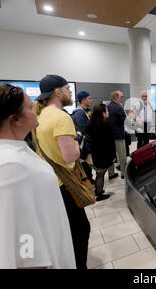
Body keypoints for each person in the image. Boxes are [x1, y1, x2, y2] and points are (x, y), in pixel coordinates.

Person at [0, 84, 75, 269]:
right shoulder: (9, 168)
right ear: (14, 119)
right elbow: (25, 252)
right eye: (30, 108)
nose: (35, 111)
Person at [33, 75, 89, 269]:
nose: (70, 92)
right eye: (67, 88)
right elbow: (70, 157)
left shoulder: (39, 115)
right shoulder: (61, 117)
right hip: (64, 185)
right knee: (81, 231)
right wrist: (77, 140)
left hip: (49, 182)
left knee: (65, 231)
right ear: (58, 92)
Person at [83, 103, 114, 201]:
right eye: (107, 111)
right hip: (103, 156)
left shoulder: (90, 124)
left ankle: (97, 190)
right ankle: (99, 194)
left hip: (94, 155)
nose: (108, 112)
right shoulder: (105, 125)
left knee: (98, 174)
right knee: (101, 175)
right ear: (102, 113)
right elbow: (110, 143)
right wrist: (113, 156)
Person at [72, 91, 93, 183]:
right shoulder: (79, 113)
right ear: (84, 100)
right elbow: (83, 130)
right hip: (84, 145)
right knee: (86, 168)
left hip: (87, 143)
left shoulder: (86, 111)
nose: (91, 100)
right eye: (89, 98)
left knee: (88, 168)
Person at [106, 90, 127, 179]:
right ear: (116, 98)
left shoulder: (107, 107)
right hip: (118, 135)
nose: (121, 99)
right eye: (120, 97)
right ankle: (123, 173)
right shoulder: (118, 108)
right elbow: (124, 119)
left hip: (109, 136)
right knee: (122, 155)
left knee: (111, 155)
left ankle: (111, 173)